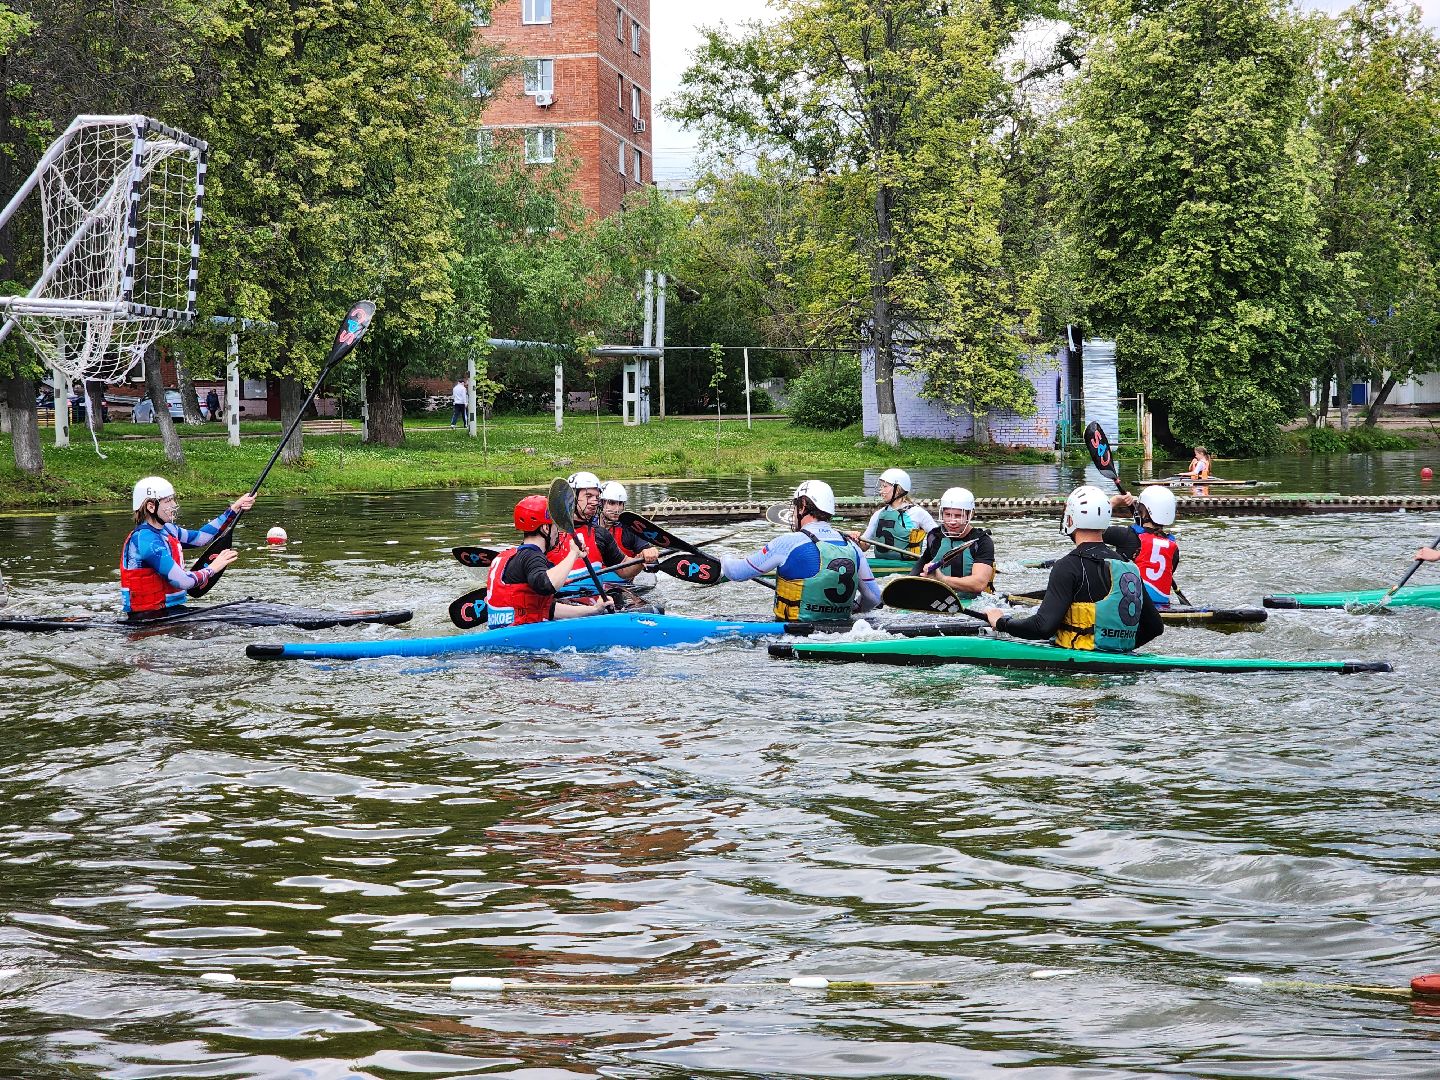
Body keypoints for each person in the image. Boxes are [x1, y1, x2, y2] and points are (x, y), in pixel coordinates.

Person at [984, 484, 1163, 652]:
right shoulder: (1129, 567)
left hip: (1079, 675)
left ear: (1070, 519)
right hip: (1119, 665)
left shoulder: (1068, 566)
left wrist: (1002, 622)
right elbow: (1155, 627)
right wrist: (1117, 649)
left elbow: (1043, 627)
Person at [722, 480, 882, 622]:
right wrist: (855, 608)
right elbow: (874, 598)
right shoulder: (852, 546)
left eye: (795, 506)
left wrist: (724, 557)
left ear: (803, 505)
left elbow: (736, 573)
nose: (793, 512)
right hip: (841, 632)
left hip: (793, 635)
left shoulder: (786, 543)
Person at [121, 476, 256, 618]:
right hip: (148, 617)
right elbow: (182, 581)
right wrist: (213, 568)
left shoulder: (168, 529)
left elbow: (201, 537)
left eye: (173, 499)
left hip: (170, 610)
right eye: (168, 501)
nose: (174, 504)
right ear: (151, 507)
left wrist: (234, 509)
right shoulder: (146, 540)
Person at [485, 495, 616, 627]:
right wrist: (573, 554)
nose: (557, 532)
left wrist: (593, 610)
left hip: (505, 634)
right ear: (545, 529)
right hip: (522, 639)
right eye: (554, 527)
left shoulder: (504, 556)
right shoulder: (533, 557)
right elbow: (546, 585)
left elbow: (547, 609)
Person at [562, 471, 659, 583]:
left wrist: (641, 558)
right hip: (563, 597)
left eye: (596, 497)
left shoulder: (601, 533)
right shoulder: (550, 530)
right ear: (571, 497)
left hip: (602, 594)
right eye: (589, 496)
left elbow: (623, 568)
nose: (594, 502)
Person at [1105, 486, 1180, 608]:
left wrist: (1113, 502)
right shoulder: (1173, 547)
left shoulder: (1126, 536)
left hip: (1130, 608)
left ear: (1143, 511)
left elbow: (1091, 530)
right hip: (1162, 607)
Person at [914, 486, 995, 594]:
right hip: (939, 597)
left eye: (958, 516)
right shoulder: (934, 536)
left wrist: (942, 579)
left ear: (970, 515)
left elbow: (979, 584)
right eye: (947, 515)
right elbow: (920, 566)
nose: (952, 521)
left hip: (973, 600)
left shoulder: (982, 541)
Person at [849, 468, 936, 558]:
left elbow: (939, 538)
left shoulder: (917, 513)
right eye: (881, 487)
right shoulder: (878, 514)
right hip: (881, 565)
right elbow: (864, 546)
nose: (881, 491)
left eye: (885, 486)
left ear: (898, 489)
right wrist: (855, 540)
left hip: (907, 567)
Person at [598, 481, 647, 559]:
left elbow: (646, 552)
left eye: (620, 503)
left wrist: (648, 555)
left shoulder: (630, 528)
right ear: (601, 503)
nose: (617, 509)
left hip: (623, 570)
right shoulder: (589, 525)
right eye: (612, 503)